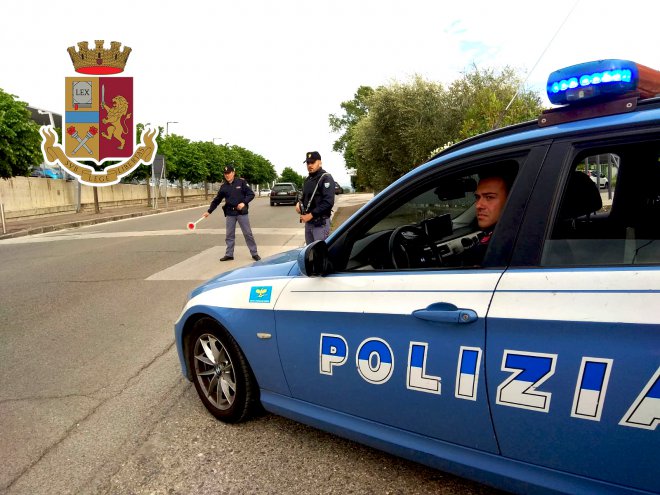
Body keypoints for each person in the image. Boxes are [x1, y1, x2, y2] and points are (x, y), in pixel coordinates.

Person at [203, 164, 261, 262]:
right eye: (225, 173)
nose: (227, 175)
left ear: (233, 173)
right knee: (229, 235)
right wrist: (209, 211)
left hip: (241, 212)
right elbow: (217, 200)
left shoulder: (241, 182)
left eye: (229, 173)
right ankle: (229, 254)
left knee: (248, 234)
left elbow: (251, 194)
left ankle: (254, 253)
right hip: (230, 213)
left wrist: (244, 203)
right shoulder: (223, 187)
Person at [463, 174, 510, 265]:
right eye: (477, 197)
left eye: (489, 197)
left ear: (509, 200)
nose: (478, 205)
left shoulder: (503, 246)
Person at [296, 151, 335, 244]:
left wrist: (310, 215)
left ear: (320, 162)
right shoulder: (307, 180)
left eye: (312, 162)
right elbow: (304, 198)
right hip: (308, 224)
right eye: (308, 163)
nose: (310, 165)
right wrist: (299, 204)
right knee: (310, 254)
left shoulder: (326, 178)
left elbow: (328, 202)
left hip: (320, 225)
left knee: (320, 255)